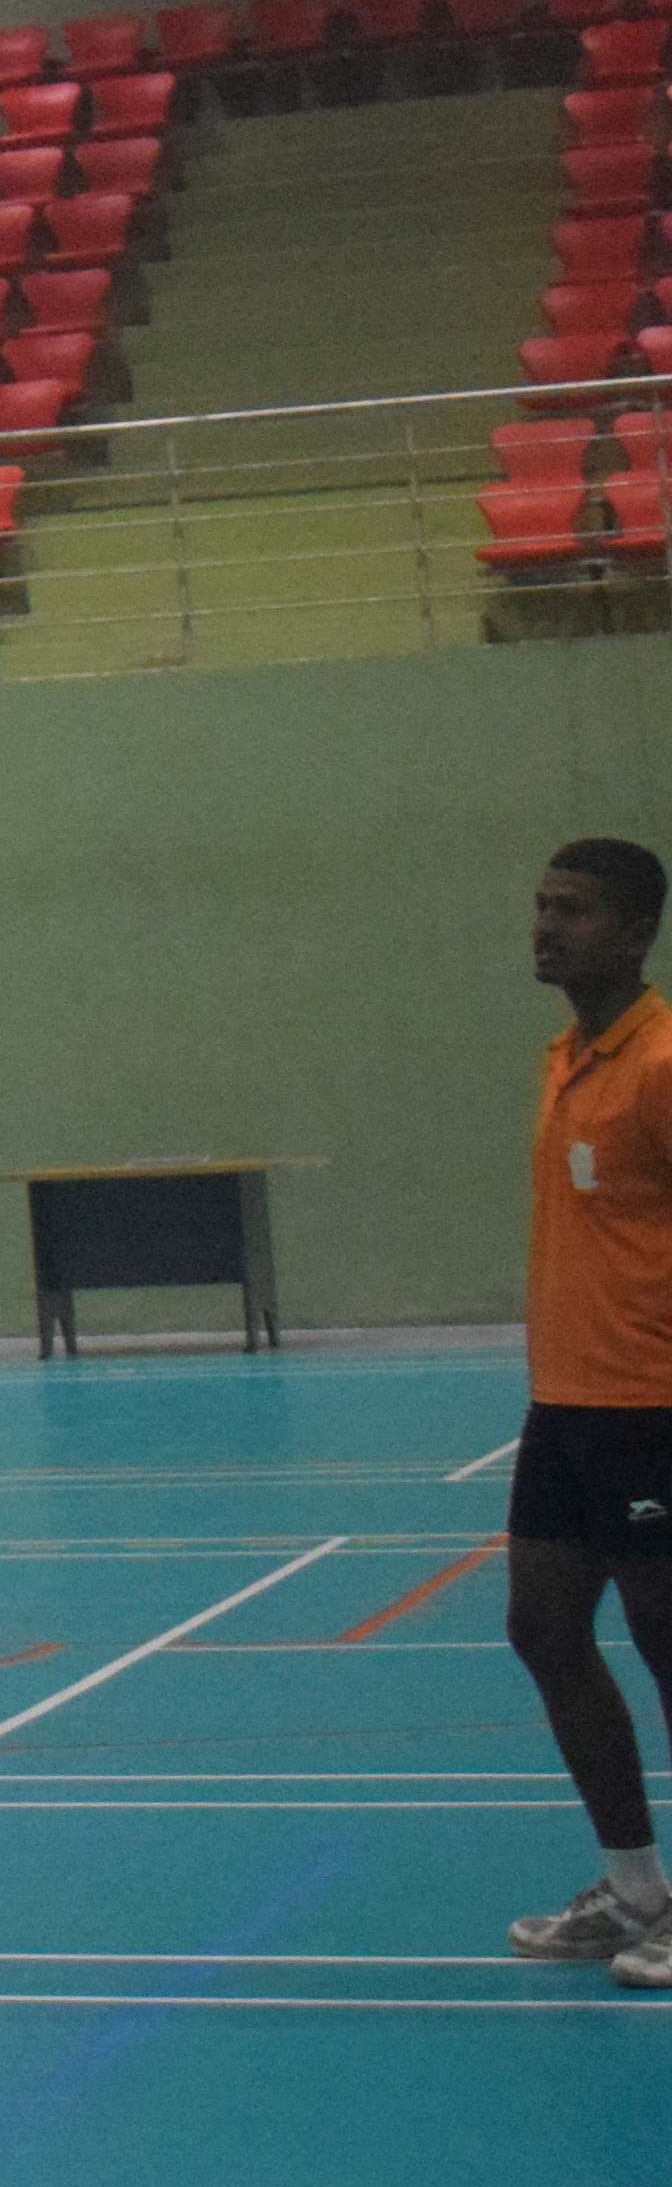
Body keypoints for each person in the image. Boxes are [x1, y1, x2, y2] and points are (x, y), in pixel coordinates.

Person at [495, 838, 672, 1984]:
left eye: (575, 910)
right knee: (544, 1629)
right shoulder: (568, 1054)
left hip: (656, 1405)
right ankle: (637, 1889)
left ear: (637, 932)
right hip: (566, 1404)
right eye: (542, 904)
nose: (547, 926)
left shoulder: (663, 1062)